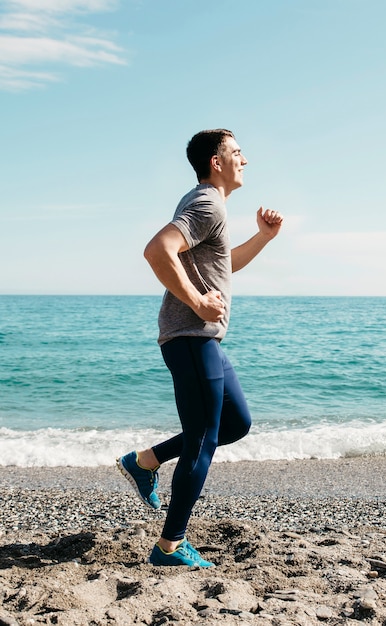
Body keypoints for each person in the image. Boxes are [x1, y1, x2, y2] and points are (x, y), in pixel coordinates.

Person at [116, 129, 283, 567]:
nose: (244, 160)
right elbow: (158, 250)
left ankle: (145, 462)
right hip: (190, 336)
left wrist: (263, 237)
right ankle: (169, 546)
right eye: (237, 153)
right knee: (204, 439)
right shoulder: (207, 202)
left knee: (235, 423)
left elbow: (225, 264)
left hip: (201, 338)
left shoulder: (214, 207)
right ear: (216, 160)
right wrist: (198, 301)